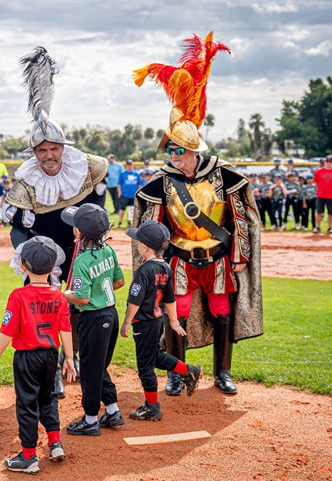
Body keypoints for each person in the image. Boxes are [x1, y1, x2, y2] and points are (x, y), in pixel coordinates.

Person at [133, 32, 263, 397]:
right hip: (178, 259)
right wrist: (154, 259)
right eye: (170, 149)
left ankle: (223, 372)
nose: (173, 155)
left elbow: (239, 217)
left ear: (195, 150)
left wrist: (239, 256)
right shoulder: (161, 182)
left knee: (223, 314)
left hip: (220, 259)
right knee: (177, 315)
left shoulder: (225, 175)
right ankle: (177, 373)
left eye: (179, 150)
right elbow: (151, 225)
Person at [5, 46, 109, 399]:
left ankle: (73, 360)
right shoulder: (26, 182)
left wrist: (90, 249)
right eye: (42, 151)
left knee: (78, 309)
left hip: (80, 253)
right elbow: (17, 226)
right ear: (34, 153)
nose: (49, 156)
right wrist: (27, 253)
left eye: (54, 149)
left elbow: (99, 213)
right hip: (41, 259)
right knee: (42, 314)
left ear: (63, 147)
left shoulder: (87, 170)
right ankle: (52, 374)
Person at [0, 236, 76, 474]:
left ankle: (28, 457)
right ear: (54, 268)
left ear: (23, 266)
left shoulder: (18, 295)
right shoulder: (59, 296)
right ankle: (55, 442)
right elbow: (66, 328)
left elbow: (8, 330)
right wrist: (69, 357)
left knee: (27, 405)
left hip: (27, 358)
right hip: (51, 356)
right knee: (48, 398)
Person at [121, 221, 202, 421]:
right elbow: (170, 296)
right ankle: (189, 370)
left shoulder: (144, 270)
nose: (137, 244)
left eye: (138, 241)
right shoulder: (165, 267)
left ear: (145, 247)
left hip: (144, 324)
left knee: (145, 366)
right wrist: (173, 322)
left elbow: (135, 300)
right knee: (155, 356)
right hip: (156, 321)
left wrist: (126, 322)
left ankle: (152, 407)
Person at [61, 204, 125, 436]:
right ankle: (112, 410)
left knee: (89, 370)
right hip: (111, 314)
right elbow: (118, 282)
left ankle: (90, 420)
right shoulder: (108, 251)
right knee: (99, 366)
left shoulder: (81, 261)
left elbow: (82, 297)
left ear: (79, 232)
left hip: (94, 319)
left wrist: (63, 295)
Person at [313, 156, 332, 234]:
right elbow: (316, 182)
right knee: (319, 212)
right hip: (320, 195)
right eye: (327, 161)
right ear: (325, 162)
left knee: (330, 213)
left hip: (331, 196)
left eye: (330, 161)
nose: (329, 163)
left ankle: (329, 228)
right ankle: (318, 227)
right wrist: (320, 189)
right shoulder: (319, 171)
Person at [115, 160, 141, 228]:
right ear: (126, 166)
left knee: (131, 209)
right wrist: (119, 192)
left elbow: (139, 184)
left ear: (132, 165)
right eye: (128, 165)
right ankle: (120, 222)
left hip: (133, 195)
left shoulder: (136, 174)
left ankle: (129, 222)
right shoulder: (122, 174)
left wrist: (138, 193)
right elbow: (119, 184)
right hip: (124, 194)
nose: (130, 166)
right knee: (122, 209)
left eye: (131, 164)